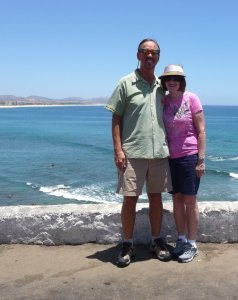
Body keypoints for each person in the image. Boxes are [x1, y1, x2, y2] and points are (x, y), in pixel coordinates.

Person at [105, 38, 172, 267]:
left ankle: (157, 240)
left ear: (158, 57)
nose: (150, 55)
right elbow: (116, 117)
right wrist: (118, 150)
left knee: (156, 198)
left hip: (159, 153)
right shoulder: (126, 83)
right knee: (129, 200)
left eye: (154, 52)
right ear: (138, 55)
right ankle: (127, 243)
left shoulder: (162, 86)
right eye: (145, 51)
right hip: (132, 153)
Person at [159, 64, 206, 263]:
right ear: (164, 81)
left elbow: (201, 130)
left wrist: (200, 160)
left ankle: (192, 244)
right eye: (169, 78)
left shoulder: (192, 98)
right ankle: (181, 239)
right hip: (171, 157)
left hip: (189, 156)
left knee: (190, 200)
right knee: (176, 200)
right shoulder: (163, 100)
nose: (172, 82)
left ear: (181, 81)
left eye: (176, 79)